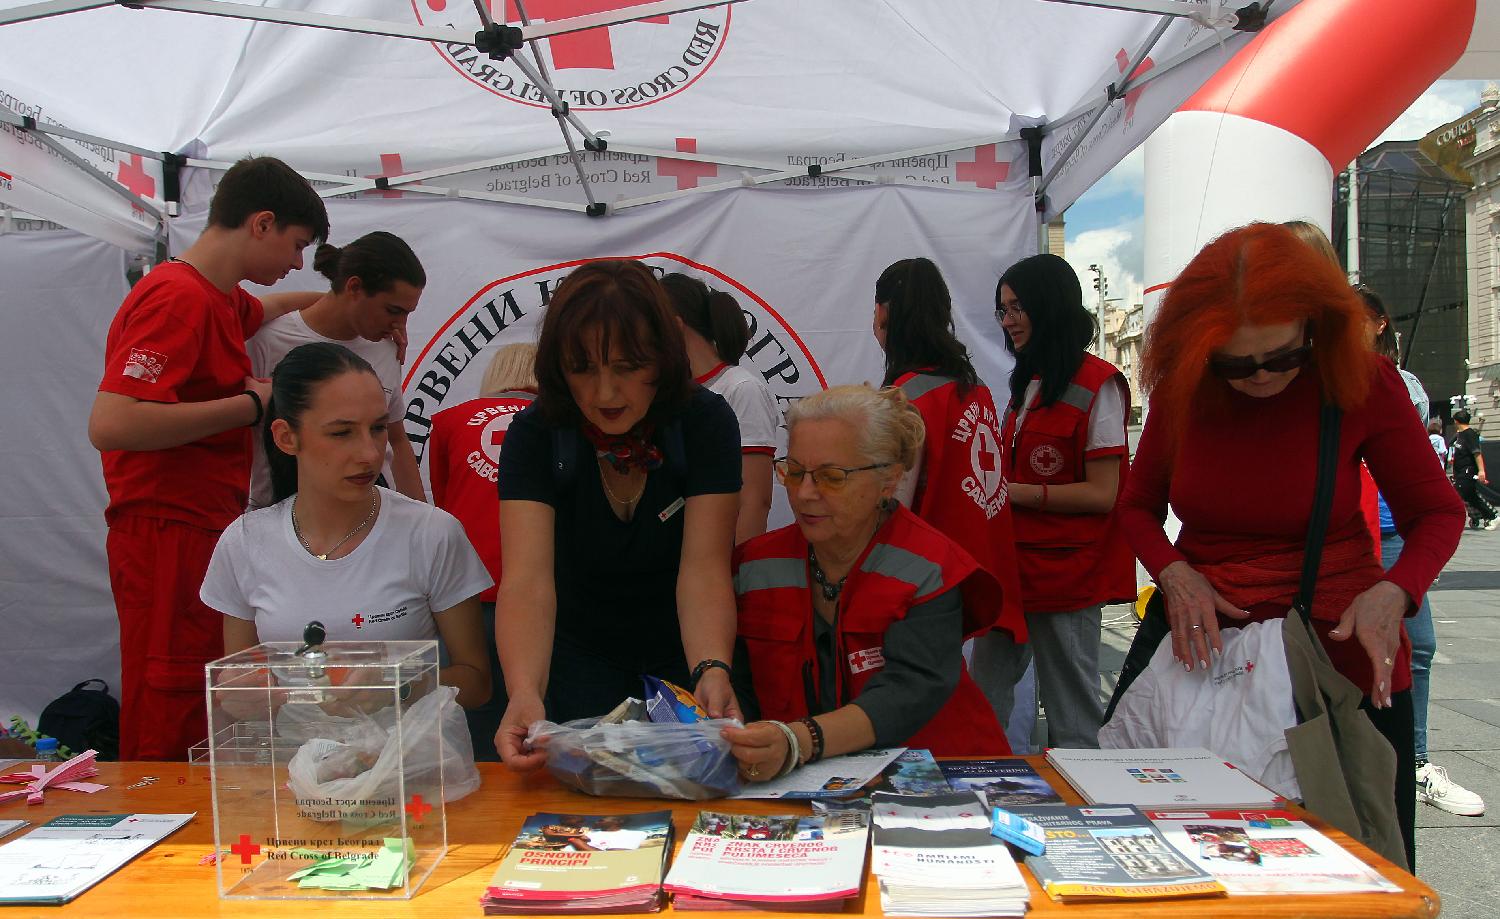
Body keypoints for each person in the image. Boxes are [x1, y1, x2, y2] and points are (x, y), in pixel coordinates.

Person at [1118, 222, 1466, 870]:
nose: (1260, 377)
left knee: (1356, 866)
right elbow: (1136, 506)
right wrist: (1173, 572)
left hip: (1334, 655)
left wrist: (1395, 591)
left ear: (1314, 326)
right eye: (1235, 364)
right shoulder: (1183, 390)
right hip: (1201, 649)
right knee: (1166, 857)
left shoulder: (1362, 380)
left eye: (1282, 358)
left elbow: (1438, 512)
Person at [87, 156, 330, 761]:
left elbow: (268, 309)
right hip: (166, 528)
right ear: (262, 224)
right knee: (170, 697)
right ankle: (155, 810)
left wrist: (347, 310)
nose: (296, 263)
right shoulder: (179, 299)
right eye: (297, 245)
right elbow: (112, 424)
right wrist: (250, 405)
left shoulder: (219, 298)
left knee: (204, 692)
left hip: (199, 526)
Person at [493, 260, 744, 770]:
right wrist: (524, 690)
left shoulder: (705, 422)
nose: (605, 393)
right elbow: (527, 581)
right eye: (582, 368)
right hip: (576, 654)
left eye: (628, 367)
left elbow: (704, 569)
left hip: (683, 650)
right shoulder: (535, 434)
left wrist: (712, 667)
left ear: (664, 359)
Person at [723, 385, 1012, 780]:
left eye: (831, 477)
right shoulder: (754, 566)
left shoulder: (930, 567)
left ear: (888, 480)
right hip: (801, 783)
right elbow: (741, 687)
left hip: (942, 777)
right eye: (794, 472)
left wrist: (798, 740)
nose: (805, 494)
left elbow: (909, 690)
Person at [200, 343, 492, 709]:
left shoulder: (432, 533)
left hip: (409, 746)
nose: (370, 453)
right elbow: (240, 682)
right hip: (292, 746)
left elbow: (476, 683)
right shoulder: (246, 541)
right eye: (342, 433)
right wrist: (245, 697)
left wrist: (397, 684)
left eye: (378, 428)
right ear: (286, 437)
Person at [969, 253, 1135, 750]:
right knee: (983, 702)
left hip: (1066, 579)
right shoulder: (1027, 383)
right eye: (1003, 309)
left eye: (1018, 307)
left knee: (1073, 715)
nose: (1008, 320)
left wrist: (1015, 493)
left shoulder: (1099, 385)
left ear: (1051, 305)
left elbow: (1103, 494)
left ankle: (1083, 797)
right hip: (1011, 572)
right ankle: (981, 788)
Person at [1357, 288, 1483, 816]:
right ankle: (1364, 762)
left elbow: (1431, 493)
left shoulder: (1403, 386)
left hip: (1393, 532)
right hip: (1349, 531)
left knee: (1418, 646)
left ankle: (1414, 761)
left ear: (1380, 323)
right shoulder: (1320, 381)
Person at [870, 257, 1025, 651]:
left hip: (925, 585)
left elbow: (890, 507)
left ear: (885, 315)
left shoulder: (902, 398)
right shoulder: (975, 388)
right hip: (983, 580)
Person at [247, 231, 426, 507]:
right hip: (277, 514)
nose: (400, 324)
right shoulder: (268, 340)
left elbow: (397, 438)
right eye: (393, 310)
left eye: (407, 314)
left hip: (369, 516)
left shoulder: (387, 349)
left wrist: (422, 516)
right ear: (354, 287)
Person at [428, 342, 539, 761]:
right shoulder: (561, 422)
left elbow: (444, 506)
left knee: (475, 712)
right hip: (540, 594)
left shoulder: (448, 421)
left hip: (467, 593)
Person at [660, 273, 779, 543]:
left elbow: (754, 501)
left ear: (674, 326)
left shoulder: (742, 389)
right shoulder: (669, 393)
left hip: (719, 559)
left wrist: (736, 565)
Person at [1451, 409, 1498, 529]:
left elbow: (1477, 453)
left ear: (1456, 421)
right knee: (1465, 494)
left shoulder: (1470, 434)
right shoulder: (1459, 435)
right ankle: (1476, 516)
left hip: (1468, 470)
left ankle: (1492, 516)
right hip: (1459, 471)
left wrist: (1481, 470)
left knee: (1468, 493)